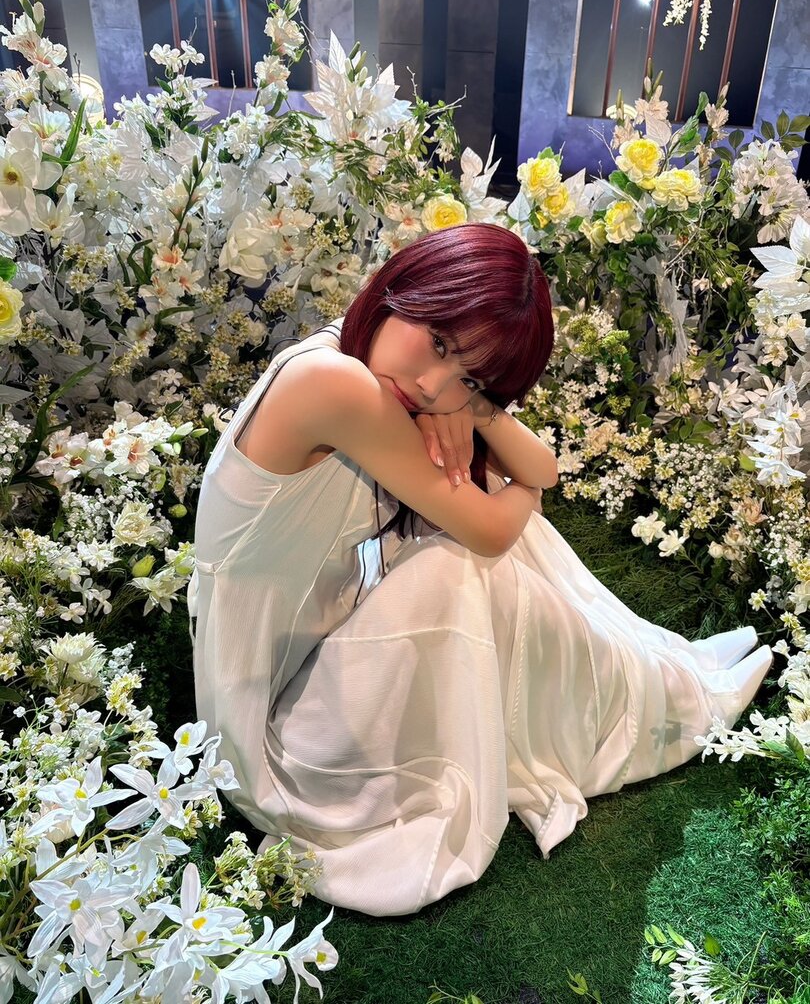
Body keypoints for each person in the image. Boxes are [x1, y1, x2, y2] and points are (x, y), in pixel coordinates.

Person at [189, 222, 772, 917]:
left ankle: (648, 688)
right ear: (402, 288)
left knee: (486, 540)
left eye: (468, 374)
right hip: (267, 731)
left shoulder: (373, 367)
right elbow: (500, 523)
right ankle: (646, 701)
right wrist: (512, 487)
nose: (430, 382)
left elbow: (541, 468)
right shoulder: (334, 382)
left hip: (299, 655)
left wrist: (476, 408)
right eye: (438, 342)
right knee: (464, 559)